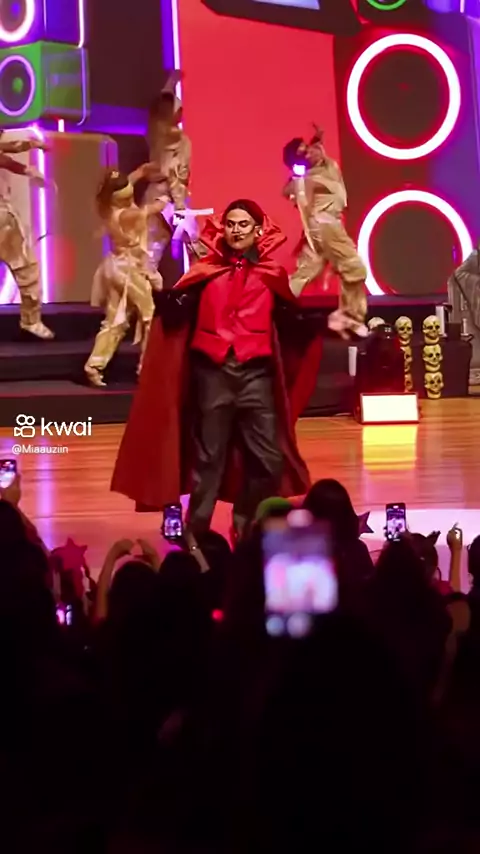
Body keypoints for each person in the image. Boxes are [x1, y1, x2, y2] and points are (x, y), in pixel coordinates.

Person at [111, 199, 324, 540]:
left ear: (258, 230)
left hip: (256, 376)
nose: (236, 230)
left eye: (243, 224)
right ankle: (196, 533)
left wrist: (317, 325)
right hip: (213, 374)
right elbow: (177, 314)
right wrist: (162, 295)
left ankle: (245, 520)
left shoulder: (272, 274)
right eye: (231, 224)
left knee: (270, 460)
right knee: (208, 460)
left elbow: (288, 322)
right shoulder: (205, 271)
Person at [84, 167, 165, 388]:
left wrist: (141, 172)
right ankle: (146, 368)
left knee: (115, 321)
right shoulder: (127, 215)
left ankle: (94, 365)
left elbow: (127, 183)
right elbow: (148, 210)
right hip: (128, 269)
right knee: (149, 315)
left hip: (115, 266)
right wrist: (163, 201)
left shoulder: (108, 207)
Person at [283, 127, 367, 338]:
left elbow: (318, 150)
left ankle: (273, 308)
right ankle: (350, 318)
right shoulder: (307, 178)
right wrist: (297, 178)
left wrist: (318, 138)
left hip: (323, 228)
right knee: (354, 268)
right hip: (326, 227)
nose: (310, 151)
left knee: (305, 272)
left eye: (308, 147)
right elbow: (290, 192)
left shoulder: (327, 165)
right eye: (304, 152)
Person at [145, 71, 204, 265]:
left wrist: (170, 84)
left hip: (155, 196)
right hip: (169, 199)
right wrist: (179, 205)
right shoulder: (177, 140)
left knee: (149, 252)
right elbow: (175, 172)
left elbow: (160, 108)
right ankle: (201, 282)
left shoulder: (156, 132)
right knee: (195, 247)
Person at [0, 132, 54, 339]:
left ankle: (31, 320)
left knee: (28, 269)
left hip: (5, 222)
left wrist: (32, 148)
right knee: (28, 269)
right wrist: (29, 160)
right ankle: (31, 320)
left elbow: (7, 151)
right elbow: (8, 153)